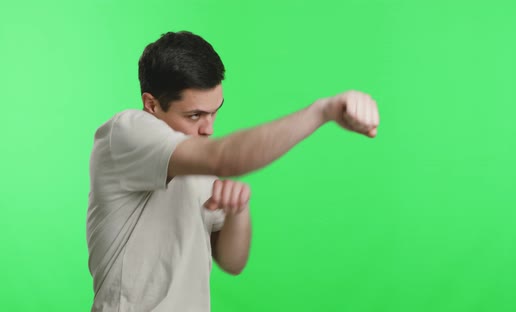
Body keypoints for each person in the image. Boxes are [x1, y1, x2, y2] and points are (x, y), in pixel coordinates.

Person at [86, 31, 380, 312]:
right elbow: (225, 158)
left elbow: (232, 262)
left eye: (215, 111)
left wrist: (238, 210)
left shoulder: (198, 156)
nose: (209, 128)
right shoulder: (125, 133)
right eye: (195, 115)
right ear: (151, 104)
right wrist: (322, 111)